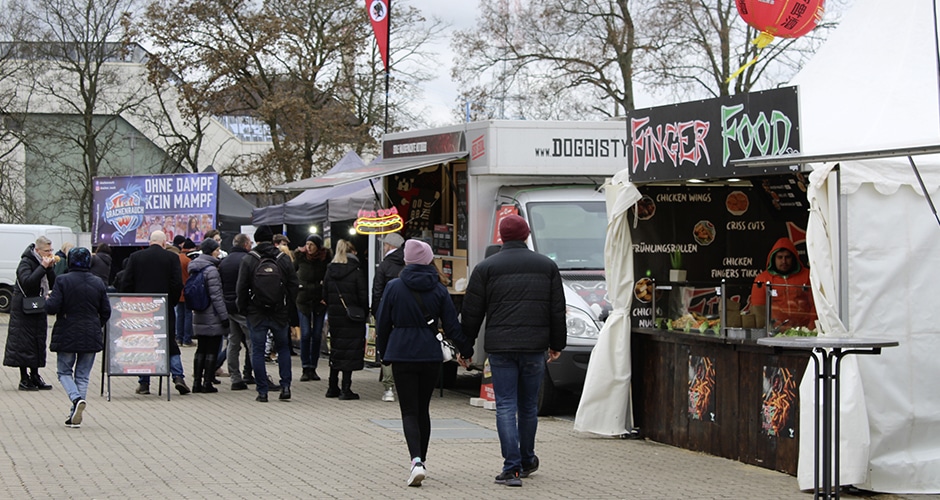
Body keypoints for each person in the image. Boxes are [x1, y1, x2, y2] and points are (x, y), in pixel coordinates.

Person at [461, 214, 566, 487]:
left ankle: (512, 468)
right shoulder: (547, 266)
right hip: (534, 347)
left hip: (501, 347)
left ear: (502, 237)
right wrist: (557, 344)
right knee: (528, 406)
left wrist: (465, 347)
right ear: (527, 234)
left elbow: (472, 313)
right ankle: (527, 458)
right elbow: (557, 310)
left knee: (505, 405)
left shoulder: (486, 268)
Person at [376, 239, 474, 487]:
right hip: (430, 354)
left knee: (408, 411)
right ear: (430, 260)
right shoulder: (440, 289)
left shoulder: (393, 287)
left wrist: (383, 352)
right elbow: (452, 325)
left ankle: (416, 461)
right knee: (423, 410)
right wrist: (466, 350)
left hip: (401, 353)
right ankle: (423, 460)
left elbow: (382, 323)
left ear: (406, 260)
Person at [45, 247, 111, 428]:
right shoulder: (97, 282)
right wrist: (97, 325)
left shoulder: (63, 280)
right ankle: (75, 412)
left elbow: (52, 307)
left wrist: (47, 299)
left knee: (64, 372)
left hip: (67, 330)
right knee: (82, 375)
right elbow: (106, 310)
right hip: (91, 331)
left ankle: (75, 400)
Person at [120, 230, 191, 395]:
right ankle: (178, 376)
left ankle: (144, 382)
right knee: (169, 341)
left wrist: (131, 304)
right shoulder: (172, 258)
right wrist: (170, 302)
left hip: (141, 309)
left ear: (149, 241)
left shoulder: (136, 258)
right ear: (165, 243)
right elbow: (176, 284)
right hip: (164, 307)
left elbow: (127, 282)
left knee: (144, 344)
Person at [236, 226, 299, 402]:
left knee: (257, 350)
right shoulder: (283, 259)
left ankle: (262, 391)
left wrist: (243, 308)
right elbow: (294, 284)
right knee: (283, 348)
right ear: (273, 240)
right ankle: (285, 386)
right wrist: (287, 305)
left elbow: (241, 287)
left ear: (256, 240)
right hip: (279, 312)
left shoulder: (249, 259)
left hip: (256, 312)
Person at [3, 235, 57, 391]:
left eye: (51, 250)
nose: (49, 253)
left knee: (37, 340)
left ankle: (35, 375)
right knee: (23, 343)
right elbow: (28, 282)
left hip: (38, 306)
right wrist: (42, 267)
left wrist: (50, 267)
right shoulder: (26, 262)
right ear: (38, 250)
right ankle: (24, 378)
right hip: (23, 310)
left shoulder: (44, 262)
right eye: (46, 251)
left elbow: (53, 282)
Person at [323, 239, 368, 400]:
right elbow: (362, 295)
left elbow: (325, 294)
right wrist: (364, 311)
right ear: (352, 252)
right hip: (352, 317)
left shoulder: (330, 270)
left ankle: (332, 386)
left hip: (335, 316)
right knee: (349, 352)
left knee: (336, 350)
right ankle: (345, 389)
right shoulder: (355, 270)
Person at [188, 238, 229, 393]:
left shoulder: (194, 266)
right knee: (212, 349)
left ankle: (196, 383)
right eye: (217, 250)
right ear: (211, 251)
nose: (219, 253)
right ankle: (207, 383)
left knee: (200, 349)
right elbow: (216, 296)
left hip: (199, 312)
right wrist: (224, 316)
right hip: (212, 314)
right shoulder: (211, 270)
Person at [750, 237, 817, 330]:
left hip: (804, 331)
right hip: (774, 332)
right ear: (773, 258)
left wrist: (811, 328)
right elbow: (759, 312)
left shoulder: (808, 276)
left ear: (794, 258)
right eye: (780, 257)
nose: (784, 261)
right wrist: (770, 330)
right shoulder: (762, 279)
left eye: (787, 257)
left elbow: (816, 305)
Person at [371, 232, 405, 402]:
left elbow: (377, 291)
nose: (383, 247)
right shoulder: (408, 263)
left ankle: (389, 388)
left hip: (387, 312)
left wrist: (376, 314)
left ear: (390, 246)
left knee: (387, 348)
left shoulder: (384, 266)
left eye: (385, 245)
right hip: (406, 313)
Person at [294, 234, 332, 382]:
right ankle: (305, 366)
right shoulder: (300, 258)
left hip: (319, 301)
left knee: (316, 335)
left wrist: (325, 295)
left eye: (312, 244)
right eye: (307, 244)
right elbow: (292, 273)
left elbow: (329, 278)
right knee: (305, 334)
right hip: (303, 301)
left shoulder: (324, 260)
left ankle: (313, 367)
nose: (309, 247)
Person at [219, 233, 254, 390]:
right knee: (252, 342)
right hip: (243, 306)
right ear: (246, 244)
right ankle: (258, 376)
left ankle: (235, 378)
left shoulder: (224, 261)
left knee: (233, 343)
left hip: (228, 306)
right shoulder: (247, 260)